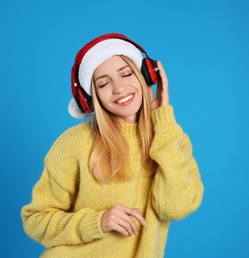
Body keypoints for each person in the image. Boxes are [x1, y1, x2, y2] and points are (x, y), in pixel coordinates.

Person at [21, 33, 204, 257]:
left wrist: (163, 121)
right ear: (91, 97)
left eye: (127, 74)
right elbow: (36, 220)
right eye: (104, 83)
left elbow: (174, 207)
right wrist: (98, 222)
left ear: (146, 76)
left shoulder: (171, 139)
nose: (119, 88)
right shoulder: (74, 144)